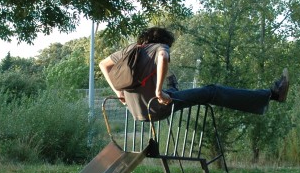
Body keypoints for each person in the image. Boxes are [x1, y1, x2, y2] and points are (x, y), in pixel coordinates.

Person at [99, 27, 289, 121]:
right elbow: (163, 56)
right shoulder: (159, 47)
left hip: (137, 112)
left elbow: (103, 64)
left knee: (171, 90)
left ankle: (172, 88)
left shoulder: (129, 51)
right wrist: (158, 91)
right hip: (156, 109)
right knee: (211, 92)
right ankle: (273, 95)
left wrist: (118, 92)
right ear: (161, 40)